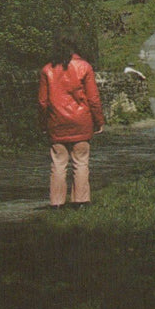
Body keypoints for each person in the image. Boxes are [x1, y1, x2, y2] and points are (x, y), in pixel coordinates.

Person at [37, 32, 105, 209]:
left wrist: (44, 124)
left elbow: (43, 102)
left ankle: (56, 203)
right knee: (81, 162)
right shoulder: (84, 67)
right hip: (81, 121)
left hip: (56, 122)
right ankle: (81, 201)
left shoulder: (47, 70)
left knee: (58, 163)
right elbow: (93, 99)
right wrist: (99, 121)